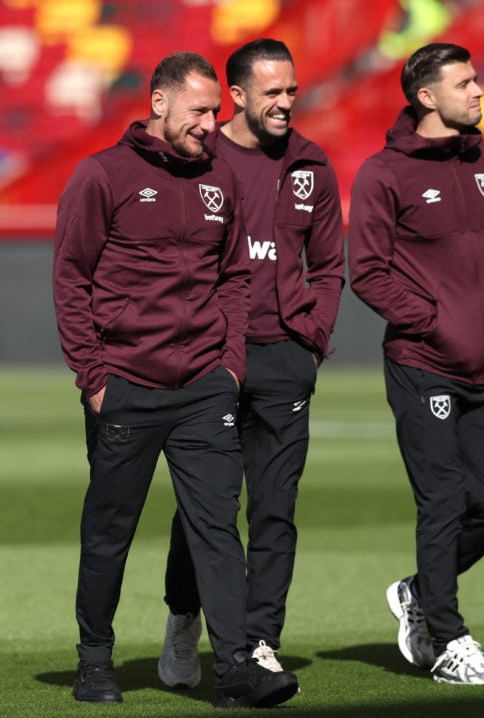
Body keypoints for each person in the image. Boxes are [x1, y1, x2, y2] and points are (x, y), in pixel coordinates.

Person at [53, 51, 299, 709]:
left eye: (217, 111)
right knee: (111, 531)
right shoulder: (102, 175)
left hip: (204, 390)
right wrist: (94, 377)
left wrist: (229, 368)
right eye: (200, 110)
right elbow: (71, 278)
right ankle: (95, 663)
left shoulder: (223, 176)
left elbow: (233, 279)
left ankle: (238, 668)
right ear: (158, 103)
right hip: (125, 385)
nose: (212, 124)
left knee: (218, 528)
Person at [157, 39, 345, 688]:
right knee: (205, 511)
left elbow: (328, 265)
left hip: (284, 361)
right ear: (236, 96)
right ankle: (184, 616)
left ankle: (261, 641)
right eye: (273, 92)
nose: (287, 103)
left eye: (292, 90)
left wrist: (312, 341)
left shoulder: (311, 164)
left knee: (274, 510)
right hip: (210, 360)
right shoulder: (200, 159)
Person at [347, 42, 484, 685]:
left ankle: (418, 591)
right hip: (423, 363)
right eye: (465, 82)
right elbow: (366, 272)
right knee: (443, 499)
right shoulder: (383, 174)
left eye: (478, 79)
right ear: (426, 96)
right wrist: (435, 322)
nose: (478, 91)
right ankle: (448, 637)